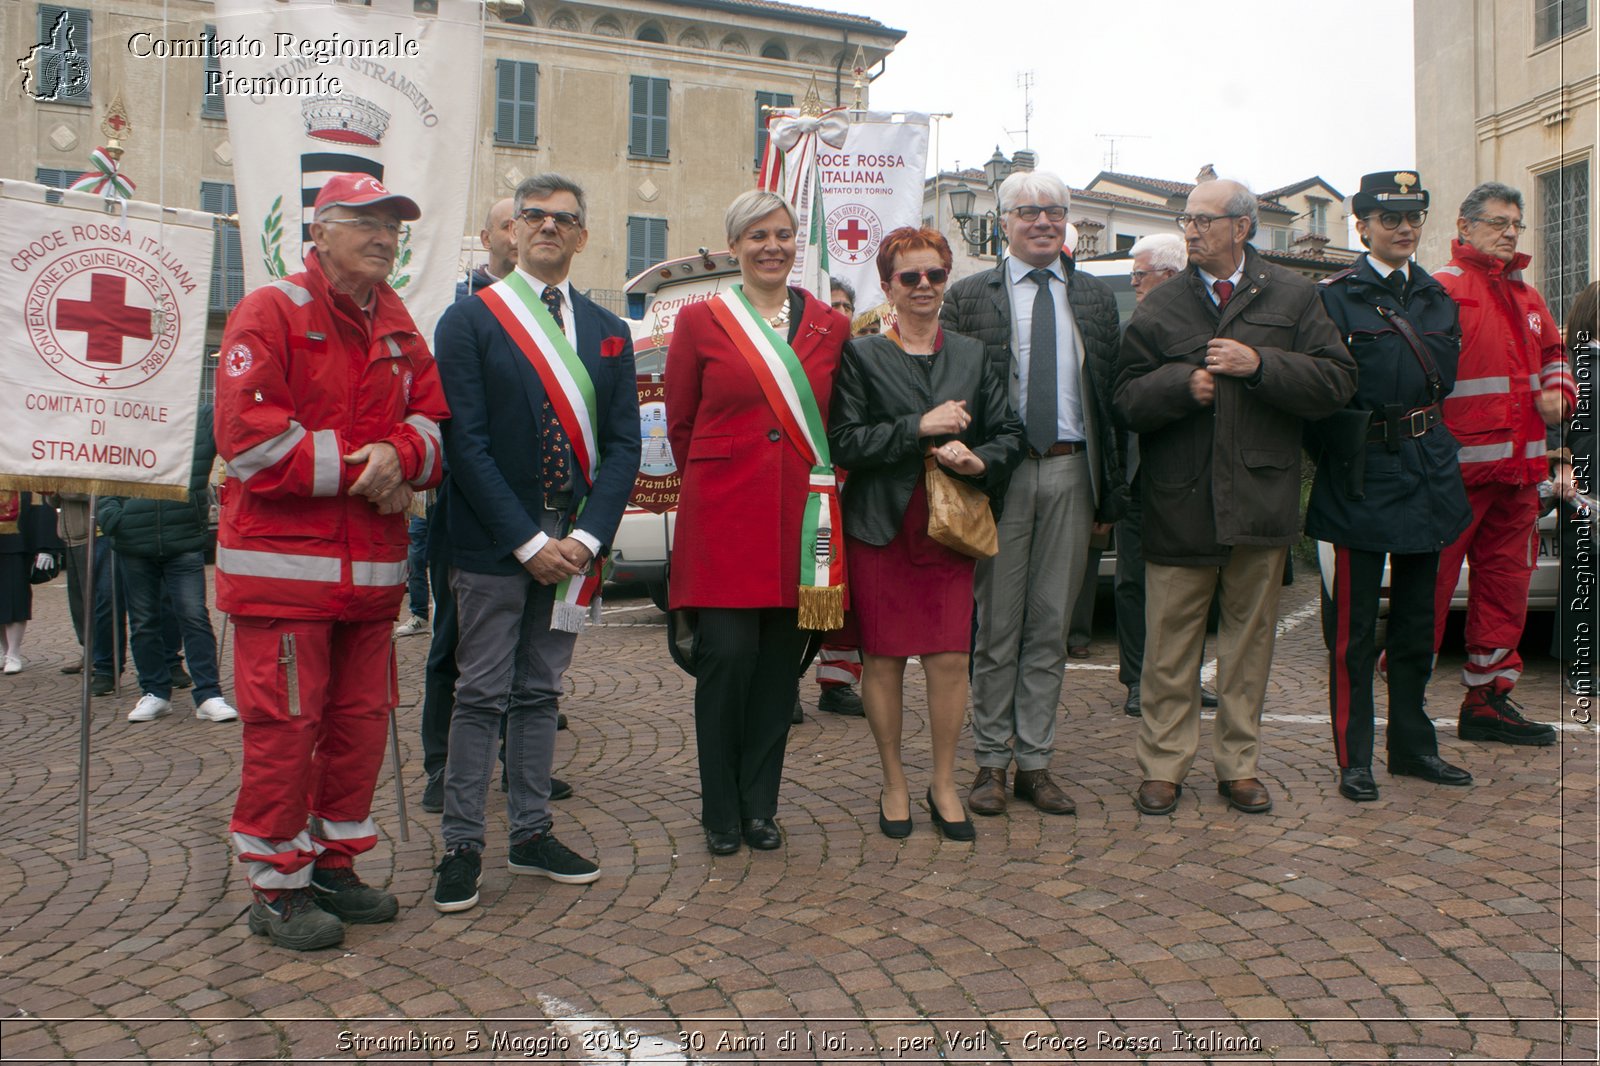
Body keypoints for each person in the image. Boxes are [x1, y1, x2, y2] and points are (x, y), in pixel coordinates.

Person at [215, 173, 448, 950]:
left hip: (372, 584)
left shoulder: (398, 322)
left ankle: (333, 866)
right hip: (286, 582)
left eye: (393, 226)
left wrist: (401, 451)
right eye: (366, 223)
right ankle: (276, 889)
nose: (385, 236)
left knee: (356, 730)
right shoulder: (271, 311)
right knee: (284, 733)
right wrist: (369, 467)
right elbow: (251, 443)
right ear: (319, 231)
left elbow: (433, 424)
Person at [430, 174, 640, 914]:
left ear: (584, 236)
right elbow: (467, 443)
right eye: (535, 216)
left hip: (574, 549)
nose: (550, 227)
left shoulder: (609, 328)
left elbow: (623, 446)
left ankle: (530, 832)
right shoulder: (469, 321)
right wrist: (526, 540)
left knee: (542, 693)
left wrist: (583, 537)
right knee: (480, 693)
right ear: (511, 231)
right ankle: (461, 845)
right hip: (494, 545)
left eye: (566, 219)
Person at [1115, 178, 1356, 817]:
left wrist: (1262, 366)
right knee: (1169, 648)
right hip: (1180, 500)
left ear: (1242, 228)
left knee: (1249, 649)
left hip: (1259, 497)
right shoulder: (1161, 306)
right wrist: (1179, 386)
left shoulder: (1295, 296)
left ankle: (1238, 766)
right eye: (1186, 219)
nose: (1189, 230)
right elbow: (1125, 398)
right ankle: (1162, 766)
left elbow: (1336, 382)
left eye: (1203, 220)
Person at [666, 189, 849, 856]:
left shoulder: (831, 325)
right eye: (756, 235)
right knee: (728, 663)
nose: (771, 246)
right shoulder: (700, 322)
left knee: (778, 672)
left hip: (803, 526)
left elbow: (838, 426)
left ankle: (759, 807)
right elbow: (682, 426)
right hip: (725, 522)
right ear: (734, 246)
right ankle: (720, 809)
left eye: (782, 233)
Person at [939, 170, 1126, 819]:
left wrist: (1113, 497)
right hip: (1001, 477)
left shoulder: (1096, 299)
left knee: (1049, 627)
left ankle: (1036, 764)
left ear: (1066, 220)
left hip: (1075, 473)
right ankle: (991, 762)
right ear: (1005, 222)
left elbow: (1111, 399)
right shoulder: (970, 296)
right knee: (995, 629)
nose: (1042, 221)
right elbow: (951, 389)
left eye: (1054, 211)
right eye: (1028, 212)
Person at [829, 226, 1024, 840]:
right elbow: (845, 442)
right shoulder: (861, 354)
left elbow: (1010, 432)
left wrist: (980, 461)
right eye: (909, 276)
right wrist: (919, 426)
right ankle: (893, 781)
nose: (923, 286)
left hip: (950, 526)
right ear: (887, 284)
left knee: (947, 658)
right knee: (883, 660)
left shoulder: (972, 354)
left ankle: (943, 782)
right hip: (882, 525)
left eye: (934, 274)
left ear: (946, 279)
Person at [1307, 171, 1474, 803]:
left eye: (1413, 218)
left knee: (1414, 625)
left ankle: (1413, 747)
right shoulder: (1334, 298)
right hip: (1362, 474)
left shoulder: (1434, 297)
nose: (1404, 229)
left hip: (1428, 469)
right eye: (1389, 218)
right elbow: (1316, 401)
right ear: (1362, 225)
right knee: (1352, 633)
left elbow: (1445, 383)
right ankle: (1355, 760)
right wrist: (1341, 456)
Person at [1431, 181, 1574, 744]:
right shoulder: (1439, 291)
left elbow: (1555, 354)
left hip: (1519, 478)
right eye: (1496, 222)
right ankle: (1406, 711)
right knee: (1430, 593)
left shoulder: (1529, 297)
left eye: (1515, 223)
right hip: (1453, 479)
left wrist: (1560, 393)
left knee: (1504, 591)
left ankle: (1488, 703)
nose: (1509, 232)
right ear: (1464, 227)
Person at [418, 195, 536, 815]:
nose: (524, 232)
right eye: (511, 222)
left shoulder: (554, 313)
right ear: (490, 235)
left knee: (528, 655)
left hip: (539, 513)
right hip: (472, 513)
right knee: (454, 644)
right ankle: (441, 764)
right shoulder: (465, 309)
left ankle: (521, 768)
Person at [1105, 234, 1218, 717]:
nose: (1133, 285)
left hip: (1192, 479)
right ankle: (1137, 679)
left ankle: (1187, 676)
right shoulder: (1131, 331)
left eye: (1139, 276)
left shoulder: (1207, 330)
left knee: (1194, 587)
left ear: (1169, 277)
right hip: (1137, 480)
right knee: (1133, 584)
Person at [98, 404, 237, 724]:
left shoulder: (200, 416)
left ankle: (208, 693)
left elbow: (233, 429)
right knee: (144, 621)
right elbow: (105, 467)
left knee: (194, 617)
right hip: (134, 541)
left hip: (182, 537)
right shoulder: (123, 416)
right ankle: (155, 691)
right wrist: (113, 516)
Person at [808, 274, 867, 722]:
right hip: (807, 486)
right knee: (805, 585)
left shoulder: (864, 356)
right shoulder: (799, 356)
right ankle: (783, 681)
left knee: (849, 593)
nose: (840, 314)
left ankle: (839, 682)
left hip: (853, 484)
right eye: (832, 306)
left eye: (846, 305)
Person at [1552, 281, 1598, 695]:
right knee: (1582, 574)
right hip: (1583, 484)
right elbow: (1555, 421)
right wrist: (1563, 464)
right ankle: (1579, 666)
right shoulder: (1574, 362)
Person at [0, 493, 59, 673]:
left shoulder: (26, 470)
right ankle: (4, 651)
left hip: (17, 542)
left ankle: (14, 651)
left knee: (15, 598)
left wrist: (45, 547)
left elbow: (42, 505)